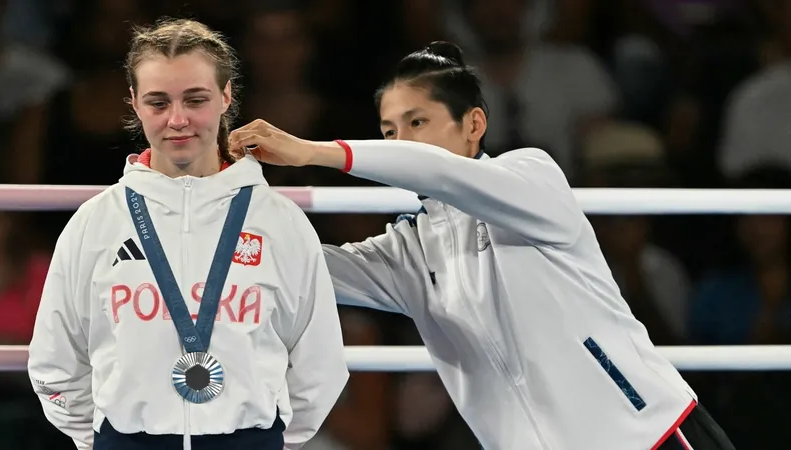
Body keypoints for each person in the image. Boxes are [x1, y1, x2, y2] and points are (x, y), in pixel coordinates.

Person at [229, 42, 736, 450]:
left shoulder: (531, 176)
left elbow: (437, 171)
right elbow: (302, 265)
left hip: (646, 436)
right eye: (389, 132)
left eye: (417, 122)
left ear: (474, 124)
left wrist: (312, 152)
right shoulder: (409, 249)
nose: (400, 142)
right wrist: (215, 214)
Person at [27, 18, 348, 450]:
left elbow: (320, 364)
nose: (177, 120)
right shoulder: (95, 222)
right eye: (158, 102)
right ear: (135, 103)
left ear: (225, 96)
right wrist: (105, 440)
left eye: (195, 100)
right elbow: (55, 361)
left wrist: (266, 440)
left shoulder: (279, 221)